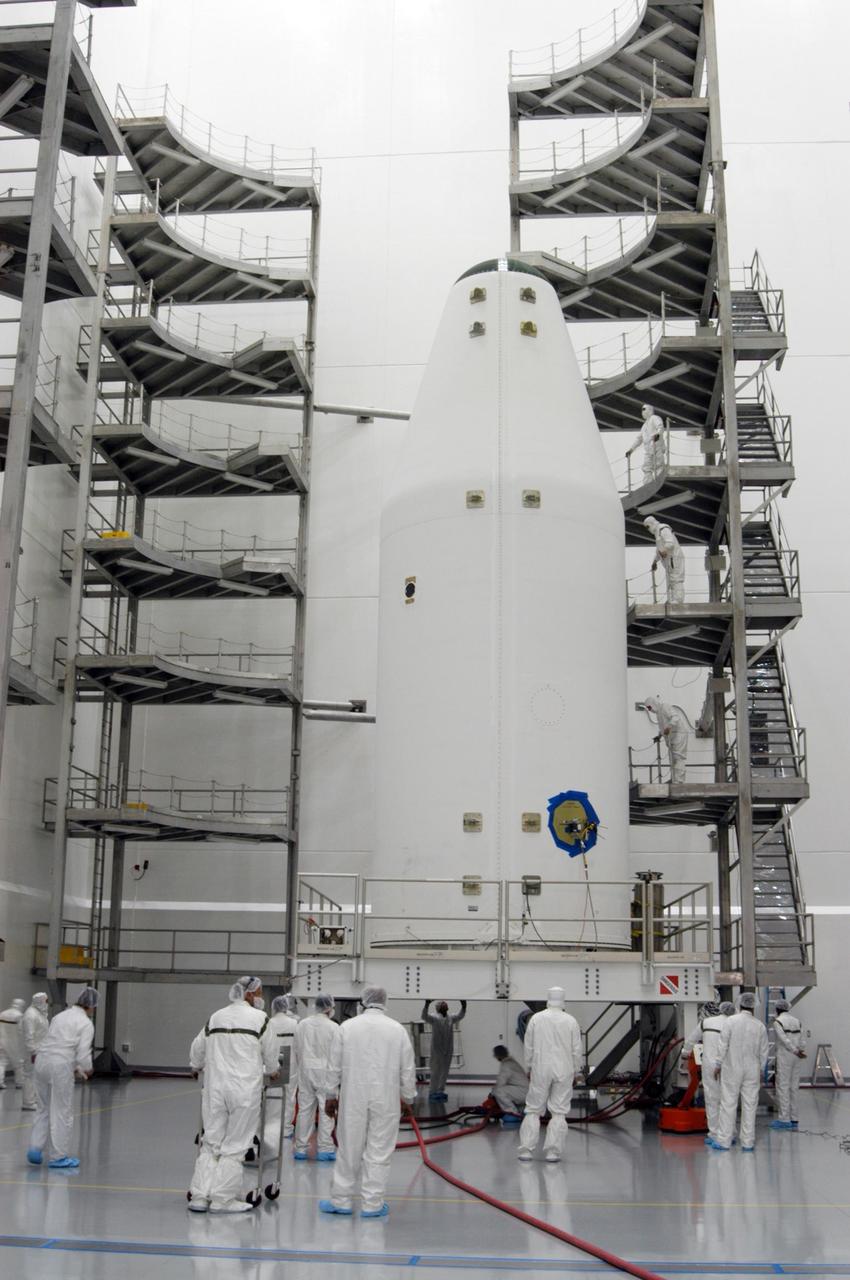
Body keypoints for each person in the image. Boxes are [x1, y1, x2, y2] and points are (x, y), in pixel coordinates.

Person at [320, 986, 416, 1218]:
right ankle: (372, 1204)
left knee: (349, 1148)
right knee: (379, 1150)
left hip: (354, 1095)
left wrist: (331, 1096)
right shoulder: (397, 1030)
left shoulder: (347, 1027)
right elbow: (408, 1068)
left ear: (363, 1002)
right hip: (387, 1097)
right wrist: (408, 1097)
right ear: (385, 1002)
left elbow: (334, 1065)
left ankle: (341, 1201)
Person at [188, 977, 279, 1213]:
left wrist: (196, 1065)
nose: (260, 997)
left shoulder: (216, 1016)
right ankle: (222, 1199)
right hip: (244, 1091)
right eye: (258, 992)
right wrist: (272, 1070)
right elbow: (271, 1055)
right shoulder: (261, 1019)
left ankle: (199, 1196)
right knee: (236, 1145)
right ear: (248, 995)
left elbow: (197, 1049)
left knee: (211, 1143)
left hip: (215, 1089)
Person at [26, 987, 97, 1169]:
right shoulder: (86, 1023)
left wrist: (76, 1067)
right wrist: (87, 1069)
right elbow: (82, 1053)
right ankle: (58, 1157)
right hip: (60, 1066)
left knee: (42, 1107)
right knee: (61, 1111)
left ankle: (35, 1149)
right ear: (92, 1006)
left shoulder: (60, 1016)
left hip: (42, 1061)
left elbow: (56, 1043)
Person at [518, 987, 582, 1163]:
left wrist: (529, 1067)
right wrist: (577, 1071)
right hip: (564, 1069)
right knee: (559, 1112)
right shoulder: (571, 1021)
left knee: (533, 1109)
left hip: (541, 1068)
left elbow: (528, 1046)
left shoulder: (536, 1019)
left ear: (548, 999)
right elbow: (576, 1050)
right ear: (563, 1000)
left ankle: (526, 1150)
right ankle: (553, 1152)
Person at [708, 991, 769, 1152]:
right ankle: (748, 1143)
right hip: (752, 1069)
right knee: (750, 1105)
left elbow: (723, 1044)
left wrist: (718, 1064)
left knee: (728, 1103)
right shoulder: (759, 1025)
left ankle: (724, 1141)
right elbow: (764, 1052)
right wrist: (761, 1071)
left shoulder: (730, 1021)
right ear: (753, 1006)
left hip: (732, 1068)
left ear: (738, 1004)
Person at [293, 994, 340, 1161]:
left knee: (304, 1110)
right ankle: (325, 1149)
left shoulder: (302, 1024)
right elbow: (336, 1056)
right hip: (326, 1073)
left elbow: (297, 1049)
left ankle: (300, 1148)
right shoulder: (334, 1027)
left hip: (305, 1070)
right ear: (329, 1007)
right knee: (327, 1110)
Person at [682, 1001, 727, 1142]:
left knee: (712, 1099)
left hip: (710, 1065)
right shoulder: (731, 1022)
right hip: (728, 1065)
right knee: (728, 1100)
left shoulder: (705, 1023)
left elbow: (690, 1041)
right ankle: (728, 1134)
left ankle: (714, 1135)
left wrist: (685, 1053)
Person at [771, 999, 806, 1130]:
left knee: (783, 1086)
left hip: (785, 1055)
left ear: (777, 1009)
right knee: (794, 1086)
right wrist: (800, 1050)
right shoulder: (797, 1021)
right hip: (797, 1056)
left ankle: (784, 1119)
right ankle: (794, 1117)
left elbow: (784, 1039)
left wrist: (794, 1050)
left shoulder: (778, 1022)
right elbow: (802, 1038)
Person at [422, 998, 467, 1100]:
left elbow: (461, 1015)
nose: (444, 1004)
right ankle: (432, 1092)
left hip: (448, 1049)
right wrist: (426, 1004)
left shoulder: (451, 1018)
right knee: (435, 1071)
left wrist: (464, 1006)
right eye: (441, 1003)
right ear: (438, 1008)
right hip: (437, 1050)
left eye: (445, 1003)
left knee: (445, 1071)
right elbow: (424, 1016)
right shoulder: (434, 1017)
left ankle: (440, 1090)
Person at [269, 994, 299, 1140]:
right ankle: (286, 1129)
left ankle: (270, 1126)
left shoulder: (268, 1023)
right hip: (290, 1061)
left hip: (273, 1060)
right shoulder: (294, 1024)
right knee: (289, 1095)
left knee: (272, 1095)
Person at [643, 695, 688, 784]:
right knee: (672, 759)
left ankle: (679, 781)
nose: (649, 710)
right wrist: (659, 735)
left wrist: (669, 727)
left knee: (678, 758)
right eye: (648, 708)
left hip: (678, 734)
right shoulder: (658, 713)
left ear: (653, 704)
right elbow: (663, 726)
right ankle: (675, 779)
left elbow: (675, 717)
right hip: (672, 737)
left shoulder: (665, 707)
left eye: (649, 707)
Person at [644, 516, 685, 604]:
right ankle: (673, 599)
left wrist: (665, 550)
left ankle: (678, 599)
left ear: (651, 523)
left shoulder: (663, 528)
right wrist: (655, 561)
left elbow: (670, 543)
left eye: (648, 526)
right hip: (669, 560)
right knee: (671, 579)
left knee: (676, 578)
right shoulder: (657, 533)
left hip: (674, 558)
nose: (648, 529)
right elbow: (659, 549)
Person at [21, 993, 50, 1111]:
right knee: (30, 1076)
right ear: (40, 1001)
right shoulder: (30, 1015)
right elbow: (29, 1035)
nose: (47, 1003)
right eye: (46, 1001)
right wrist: (33, 1051)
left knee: (37, 1076)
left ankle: (34, 1098)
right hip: (33, 1052)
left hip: (40, 1050)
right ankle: (28, 1102)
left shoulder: (39, 1013)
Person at [627, 403, 665, 485]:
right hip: (648, 449)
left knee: (659, 464)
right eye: (642, 410)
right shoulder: (644, 426)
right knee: (646, 467)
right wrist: (631, 449)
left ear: (650, 410)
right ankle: (648, 484)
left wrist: (658, 434)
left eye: (644, 409)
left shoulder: (655, 418)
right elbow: (639, 439)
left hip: (656, 445)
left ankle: (659, 481)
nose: (643, 412)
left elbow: (660, 426)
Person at [491, 1045, 528, 1125]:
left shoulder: (507, 1065)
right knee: (502, 1091)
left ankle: (513, 1113)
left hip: (522, 1092)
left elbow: (500, 1083)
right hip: (524, 1092)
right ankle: (520, 1111)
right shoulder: (511, 1062)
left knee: (498, 1091)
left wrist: (492, 1093)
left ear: (497, 1055)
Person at [0, 997, 26, 1090]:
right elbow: (21, 1031)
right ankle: (19, 1083)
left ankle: (0, 1082)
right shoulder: (19, 1015)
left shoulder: (2, 1013)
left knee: (2, 1062)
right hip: (14, 1043)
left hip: (1, 1041)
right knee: (18, 1064)